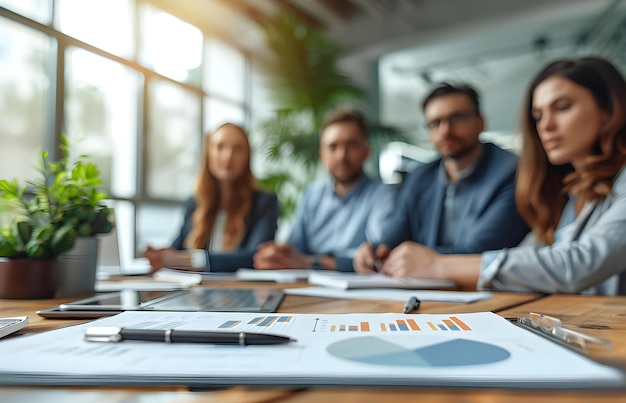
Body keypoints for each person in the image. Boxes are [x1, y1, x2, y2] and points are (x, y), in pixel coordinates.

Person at [372, 57, 626, 295]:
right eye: (538, 116)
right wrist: (378, 251)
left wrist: (438, 265)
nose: (546, 126)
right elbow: (541, 258)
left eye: (562, 107)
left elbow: (574, 264)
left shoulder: (510, 172)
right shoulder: (575, 190)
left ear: (608, 110)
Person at [354, 83, 529, 272]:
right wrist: (375, 251)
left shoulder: (512, 172)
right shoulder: (420, 177)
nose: (445, 130)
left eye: (457, 118)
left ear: (480, 122)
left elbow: (482, 251)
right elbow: (395, 233)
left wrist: (414, 259)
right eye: (435, 123)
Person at [253, 108, 395, 272]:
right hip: (309, 286)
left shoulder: (383, 195)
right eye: (333, 147)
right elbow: (294, 250)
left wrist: (310, 263)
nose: (341, 155)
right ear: (322, 155)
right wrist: (277, 254)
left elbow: (375, 258)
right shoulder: (311, 194)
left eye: (351, 145)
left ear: (366, 151)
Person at [144, 123, 278, 273]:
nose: (228, 156)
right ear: (208, 153)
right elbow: (178, 249)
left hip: (241, 292)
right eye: (220, 147)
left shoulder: (264, 202)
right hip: (195, 293)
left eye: (238, 149)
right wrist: (159, 256)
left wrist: (190, 260)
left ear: (247, 157)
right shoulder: (194, 203)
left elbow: (257, 257)